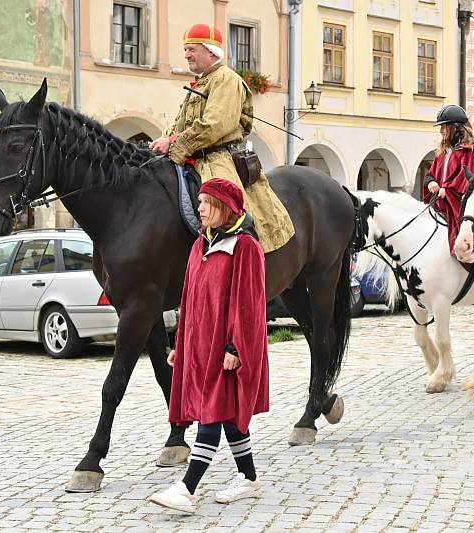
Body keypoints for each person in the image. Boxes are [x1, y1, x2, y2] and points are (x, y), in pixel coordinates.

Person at [148, 178, 269, 514]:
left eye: (206, 202)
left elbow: (250, 303)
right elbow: (189, 298)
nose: (199, 208)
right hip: (200, 348)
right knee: (227, 416)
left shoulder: (245, 247)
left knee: (212, 415)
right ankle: (249, 478)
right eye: (199, 201)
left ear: (224, 208)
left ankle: (186, 488)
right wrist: (180, 344)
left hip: (226, 350)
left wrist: (235, 348)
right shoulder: (200, 245)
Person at [149, 23, 294, 253]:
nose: (186, 55)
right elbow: (180, 124)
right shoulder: (202, 81)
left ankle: (242, 257)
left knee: (226, 213)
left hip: (217, 159)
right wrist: (162, 140)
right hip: (190, 157)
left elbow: (216, 124)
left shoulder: (226, 78)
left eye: (191, 49)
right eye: (185, 49)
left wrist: (176, 143)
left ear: (210, 51)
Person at [422, 104, 474, 304]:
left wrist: (447, 189)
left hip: (465, 206)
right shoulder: (442, 153)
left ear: (457, 128)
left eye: (444, 127)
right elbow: (431, 174)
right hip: (441, 205)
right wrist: (431, 182)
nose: (441, 131)